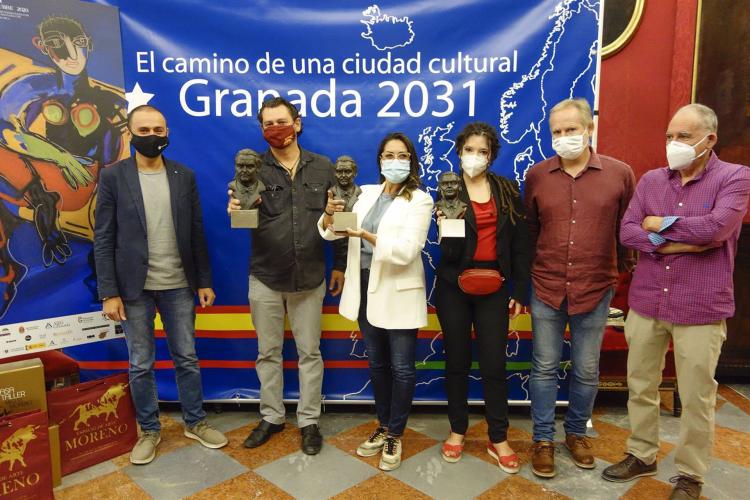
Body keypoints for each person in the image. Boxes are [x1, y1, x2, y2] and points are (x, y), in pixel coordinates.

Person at [603, 104, 750, 500]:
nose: (674, 144)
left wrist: (659, 225)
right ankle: (642, 453)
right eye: (670, 136)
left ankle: (690, 475)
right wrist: (681, 242)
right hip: (648, 302)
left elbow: (717, 228)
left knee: (698, 396)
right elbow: (629, 231)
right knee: (640, 385)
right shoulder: (652, 181)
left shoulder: (735, 178)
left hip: (700, 307)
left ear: (709, 139)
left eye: (684, 137)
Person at [94, 105, 227, 465]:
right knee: (141, 364)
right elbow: (103, 238)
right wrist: (109, 292)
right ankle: (149, 430)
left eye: (158, 129)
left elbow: (197, 233)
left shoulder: (185, 176)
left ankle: (195, 422)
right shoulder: (112, 177)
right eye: (144, 130)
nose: (152, 136)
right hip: (133, 289)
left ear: (167, 133)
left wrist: (204, 281)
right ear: (130, 133)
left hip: (179, 286)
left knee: (187, 357)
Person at [227, 97, 345, 455]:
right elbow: (240, 213)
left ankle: (309, 421)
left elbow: (339, 216)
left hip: (310, 275)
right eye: (268, 124)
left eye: (281, 121)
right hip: (264, 276)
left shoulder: (323, 167)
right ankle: (272, 416)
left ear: (297, 123)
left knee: (310, 352)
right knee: (268, 352)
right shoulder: (251, 168)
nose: (275, 129)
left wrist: (338, 264)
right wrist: (235, 208)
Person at [524, 98, 636, 478]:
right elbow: (531, 232)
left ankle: (575, 433)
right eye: (556, 131)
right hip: (547, 285)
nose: (564, 137)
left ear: (589, 129)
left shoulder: (620, 174)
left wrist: (617, 275)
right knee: (543, 368)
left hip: (595, 286)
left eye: (571, 130)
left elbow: (627, 232)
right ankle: (542, 439)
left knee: (587, 370)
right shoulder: (537, 176)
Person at [319, 132, 433, 471]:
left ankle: (396, 432)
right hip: (364, 289)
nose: (394, 161)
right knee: (377, 365)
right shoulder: (365, 194)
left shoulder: (421, 200)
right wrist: (328, 216)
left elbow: (408, 251)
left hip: (398, 292)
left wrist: (367, 235)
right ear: (380, 160)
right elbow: (331, 232)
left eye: (401, 155)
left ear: (411, 160)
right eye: (388, 155)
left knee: (402, 367)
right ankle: (383, 426)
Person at [434, 122, 530, 474]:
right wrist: (449, 223)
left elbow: (520, 243)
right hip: (454, 285)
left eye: (483, 151)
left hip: (496, 286)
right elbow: (448, 252)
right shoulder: (448, 189)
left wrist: (520, 289)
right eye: (469, 149)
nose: (475, 156)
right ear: (459, 152)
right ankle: (458, 430)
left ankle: (498, 437)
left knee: (494, 364)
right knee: (456, 360)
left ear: (491, 156)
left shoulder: (506, 189)